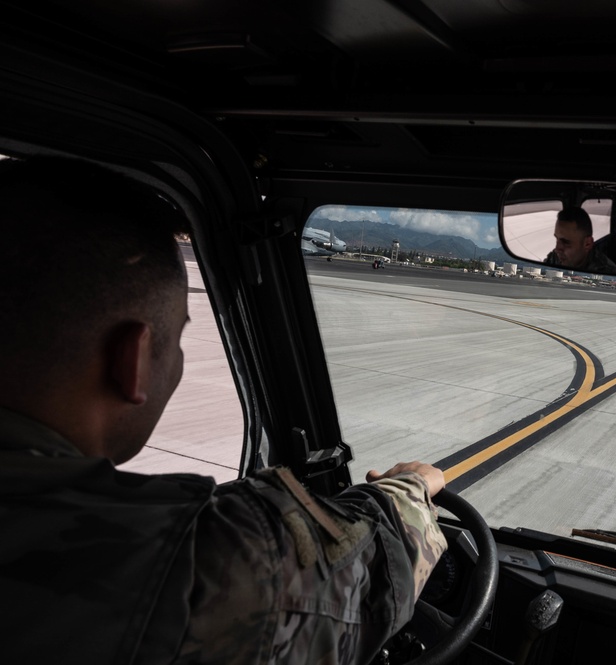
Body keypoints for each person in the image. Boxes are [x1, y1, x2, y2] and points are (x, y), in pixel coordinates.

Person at [0, 157, 447, 664]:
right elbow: (368, 574)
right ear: (133, 360)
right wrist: (410, 488)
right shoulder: (184, 562)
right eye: (178, 339)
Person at [543, 207, 616, 274]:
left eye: (566, 242)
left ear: (587, 244)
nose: (557, 249)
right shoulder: (555, 257)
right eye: (557, 239)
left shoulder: (606, 272)